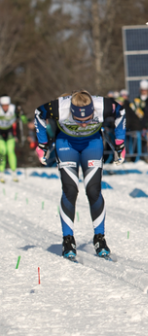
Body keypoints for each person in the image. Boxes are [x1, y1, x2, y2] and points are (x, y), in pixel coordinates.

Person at [34, 90, 126, 260]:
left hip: (92, 144)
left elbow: (120, 111)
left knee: (93, 190)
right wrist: (42, 143)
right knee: (70, 189)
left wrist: (120, 142)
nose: (83, 124)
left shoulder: (102, 105)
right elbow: (39, 113)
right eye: (78, 120)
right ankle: (68, 239)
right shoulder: (60, 108)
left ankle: (100, 238)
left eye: (88, 119)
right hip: (66, 144)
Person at [0, 96, 26, 183]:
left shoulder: (13, 109)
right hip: (0, 133)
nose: (5, 107)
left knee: (11, 151)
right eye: (3, 105)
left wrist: (22, 115)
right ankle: (1, 173)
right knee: (2, 152)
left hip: (10, 132)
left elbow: (22, 118)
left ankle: (14, 173)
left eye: (6, 105)